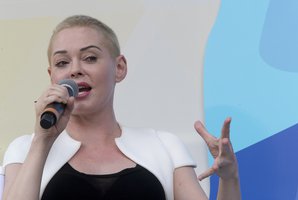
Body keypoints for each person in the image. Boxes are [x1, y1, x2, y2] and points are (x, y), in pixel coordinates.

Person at [1, 15, 241, 200]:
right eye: (63, 62)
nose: (75, 69)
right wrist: (42, 142)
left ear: (119, 68)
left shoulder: (163, 146)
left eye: (90, 58)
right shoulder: (24, 150)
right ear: (52, 76)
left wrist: (229, 178)